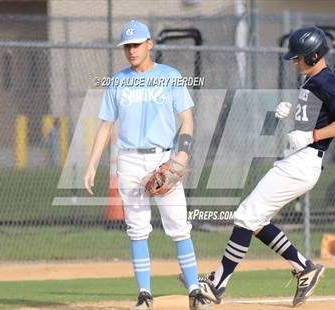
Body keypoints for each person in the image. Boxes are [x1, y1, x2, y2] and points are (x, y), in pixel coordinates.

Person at [192, 26, 335, 307]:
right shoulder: (312, 80)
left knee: (246, 215)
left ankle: (218, 283)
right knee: (255, 220)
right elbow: (317, 114)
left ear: (314, 55)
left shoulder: (327, 81)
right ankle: (304, 267)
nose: (294, 61)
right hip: (296, 160)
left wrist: (312, 135)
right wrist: (294, 111)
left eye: (299, 57)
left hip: (304, 162)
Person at [84, 20, 210, 310]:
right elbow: (105, 127)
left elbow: (187, 120)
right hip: (128, 159)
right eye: (127, 46)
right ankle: (144, 295)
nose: (131, 50)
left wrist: (182, 156)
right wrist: (91, 164)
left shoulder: (170, 76)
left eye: (136, 44)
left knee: (179, 227)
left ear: (149, 44)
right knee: (137, 229)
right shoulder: (117, 81)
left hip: (163, 157)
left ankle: (195, 291)